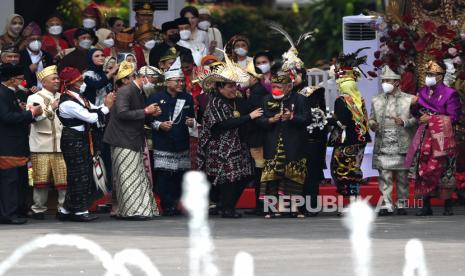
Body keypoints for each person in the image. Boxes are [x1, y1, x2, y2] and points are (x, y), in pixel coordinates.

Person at [197, 56, 261, 218]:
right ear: (220, 88)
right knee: (229, 179)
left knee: (245, 175)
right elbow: (224, 124)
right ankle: (226, 208)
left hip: (238, 146)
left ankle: (224, 205)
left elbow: (248, 110)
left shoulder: (237, 100)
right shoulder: (215, 103)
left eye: (235, 85)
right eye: (230, 86)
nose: (234, 89)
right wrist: (249, 117)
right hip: (220, 149)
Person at [103, 61, 161, 220]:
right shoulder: (125, 90)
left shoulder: (138, 91)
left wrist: (151, 114)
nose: (153, 85)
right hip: (123, 138)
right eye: (152, 81)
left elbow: (136, 114)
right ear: (144, 78)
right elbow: (122, 113)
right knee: (129, 175)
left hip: (131, 138)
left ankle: (129, 209)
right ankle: (134, 211)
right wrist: (145, 111)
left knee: (132, 175)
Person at [57, 67, 113, 222]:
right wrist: (107, 106)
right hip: (73, 140)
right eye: (80, 80)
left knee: (80, 174)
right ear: (73, 83)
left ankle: (66, 209)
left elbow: (95, 109)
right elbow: (91, 117)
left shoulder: (80, 98)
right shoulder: (68, 102)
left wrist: (105, 105)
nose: (83, 83)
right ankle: (79, 211)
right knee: (79, 175)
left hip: (81, 138)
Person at [405, 60, 462, 216]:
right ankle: (426, 205)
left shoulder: (450, 93)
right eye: (427, 74)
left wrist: (431, 119)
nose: (428, 77)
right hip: (425, 135)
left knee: (445, 168)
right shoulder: (422, 92)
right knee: (423, 168)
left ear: (440, 76)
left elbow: (454, 117)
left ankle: (448, 204)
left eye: (432, 75)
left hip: (443, 136)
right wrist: (414, 108)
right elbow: (416, 112)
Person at [257, 63, 309, 218]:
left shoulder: (299, 99)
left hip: (294, 145)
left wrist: (292, 117)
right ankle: (275, 209)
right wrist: (271, 120)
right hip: (273, 144)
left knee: (294, 177)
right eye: (273, 86)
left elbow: (307, 118)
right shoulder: (266, 99)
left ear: (288, 87)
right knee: (272, 178)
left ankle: (295, 209)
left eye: (279, 86)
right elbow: (259, 120)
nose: (275, 89)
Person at [147, 57, 194, 216]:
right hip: (163, 142)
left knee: (180, 176)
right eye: (177, 81)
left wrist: (191, 122)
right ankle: (167, 205)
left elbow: (193, 118)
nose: (181, 83)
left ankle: (175, 202)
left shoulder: (187, 98)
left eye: (182, 81)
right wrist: (159, 125)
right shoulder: (155, 98)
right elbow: (147, 119)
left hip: (181, 142)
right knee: (164, 176)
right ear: (167, 82)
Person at [369, 66, 416, 216]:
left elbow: (417, 119)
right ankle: (386, 204)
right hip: (383, 141)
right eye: (383, 80)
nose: (384, 83)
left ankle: (402, 204)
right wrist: (372, 124)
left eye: (387, 80)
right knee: (385, 176)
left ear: (396, 82)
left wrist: (404, 122)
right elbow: (371, 119)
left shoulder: (409, 99)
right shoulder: (376, 100)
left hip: (402, 141)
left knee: (402, 177)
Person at [0, 63, 43, 224]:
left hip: (16, 145)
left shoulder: (11, 93)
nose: (23, 80)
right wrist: (31, 113)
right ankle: (8, 215)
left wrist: (24, 111)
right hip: (7, 146)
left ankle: (17, 210)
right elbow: (6, 117)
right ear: (12, 80)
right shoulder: (2, 93)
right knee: (9, 182)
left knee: (18, 181)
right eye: (20, 78)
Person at [329, 50, 371, 205]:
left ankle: (345, 205)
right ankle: (355, 202)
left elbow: (341, 122)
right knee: (354, 171)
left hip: (345, 141)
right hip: (359, 140)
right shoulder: (360, 100)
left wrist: (329, 121)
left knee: (340, 172)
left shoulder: (341, 100)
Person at [27, 65, 67, 220]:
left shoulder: (62, 95)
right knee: (41, 180)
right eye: (54, 79)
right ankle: (38, 209)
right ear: (43, 82)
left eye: (58, 78)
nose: (57, 81)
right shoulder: (34, 97)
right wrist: (51, 107)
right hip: (41, 144)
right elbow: (35, 118)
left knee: (63, 179)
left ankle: (63, 209)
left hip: (61, 143)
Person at [19, 22, 53, 94]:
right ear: (26, 41)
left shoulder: (47, 56)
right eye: (32, 39)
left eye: (38, 39)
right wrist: (28, 70)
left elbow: (52, 76)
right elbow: (17, 79)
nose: (36, 42)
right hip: (28, 93)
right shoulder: (20, 56)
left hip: (46, 92)